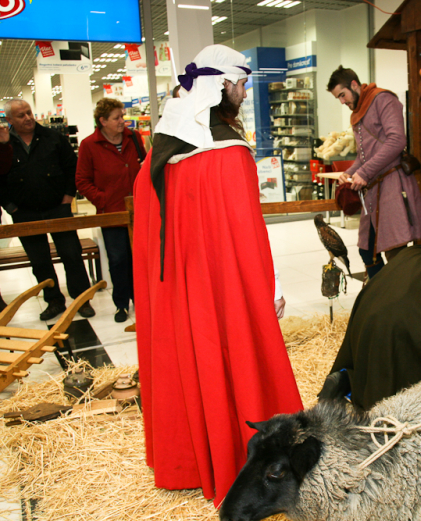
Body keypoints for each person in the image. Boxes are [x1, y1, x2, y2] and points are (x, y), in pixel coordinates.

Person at [133, 45, 302, 507]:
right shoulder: (226, 153)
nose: (245, 93)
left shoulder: (161, 151)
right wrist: (272, 286)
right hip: (223, 289)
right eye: (241, 83)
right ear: (219, 84)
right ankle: (247, 465)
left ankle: (191, 458)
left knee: (190, 365)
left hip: (181, 289)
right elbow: (247, 231)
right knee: (239, 362)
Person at [320, 245, 421, 411]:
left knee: (371, 364)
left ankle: (348, 381)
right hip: (394, 327)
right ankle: (386, 407)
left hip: (366, 315)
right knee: (396, 378)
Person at [0, 99, 94, 321]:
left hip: (58, 208)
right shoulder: (5, 145)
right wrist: (11, 208)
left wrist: (67, 198)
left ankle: (82, 299)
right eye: (21, 115)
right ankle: (53, 301)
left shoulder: (54, 138)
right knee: (39, 260)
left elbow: (73, 167)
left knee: (72, 254)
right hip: (24, 213)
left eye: (29, 112)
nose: (28, 118)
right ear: (10, 120)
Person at [328, 66, 421, 280]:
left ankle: (400, 302)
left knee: (395, 251)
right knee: (367, 250)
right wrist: (350, 173)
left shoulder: (383, 100)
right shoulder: (358, 111)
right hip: (373, 194)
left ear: (354, 84)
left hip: (392, 186)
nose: (342, 102)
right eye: (338, 98)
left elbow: (397, 141)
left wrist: (364, 171)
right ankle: (384, 297)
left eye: (342, 95)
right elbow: (364, 156)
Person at [76, 98, 146, 323]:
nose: (122, 121)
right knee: (118, 260)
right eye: (116, 118)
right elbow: (82, 180)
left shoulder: (134, 138)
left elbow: (144, 165)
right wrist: (102, 200)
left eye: (122, 116)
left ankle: (142, 300)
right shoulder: (89, 145)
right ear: (102, 121)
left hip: (139, 212)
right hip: (111, 213)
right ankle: (121, 304)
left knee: (140, 258)